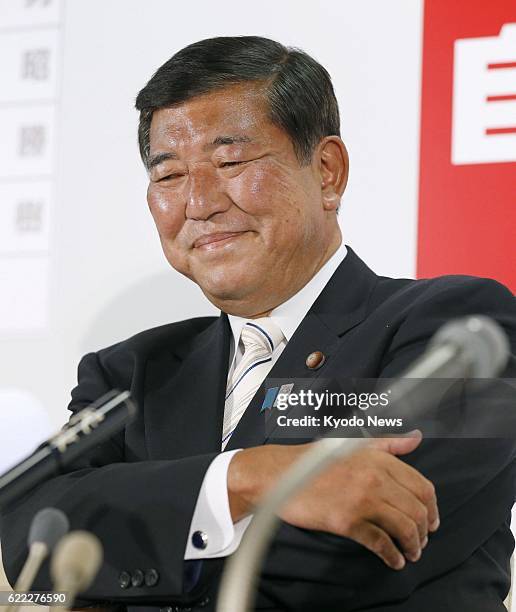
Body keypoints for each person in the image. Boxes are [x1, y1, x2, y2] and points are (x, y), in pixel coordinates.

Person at [1, 36, 516, 612]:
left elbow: (352, 554)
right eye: (169, 176)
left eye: (231, 163)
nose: (199, 202)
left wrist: (131, 565)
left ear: (326, 171)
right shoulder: (131, 372)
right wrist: (243, 478)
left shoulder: (455, 328)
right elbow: (35, 544)